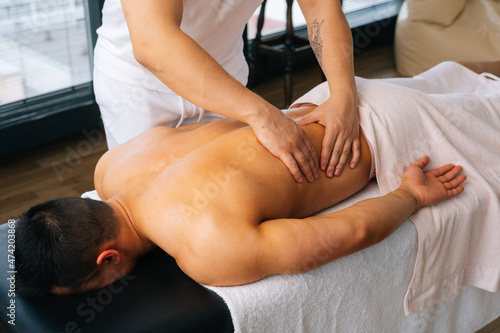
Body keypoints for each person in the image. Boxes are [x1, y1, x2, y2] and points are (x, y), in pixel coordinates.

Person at [94, 0, 361, 184]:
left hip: (225, 79)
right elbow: (153, 40)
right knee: (144, 207)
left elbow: (319, 6)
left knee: (220, 192)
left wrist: (343, 93)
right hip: (139, 89)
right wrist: (262, 114)